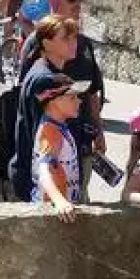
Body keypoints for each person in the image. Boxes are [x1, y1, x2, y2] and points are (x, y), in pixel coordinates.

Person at [11, 7, 105, 201]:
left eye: (74, 37)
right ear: (47, 43)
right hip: (45, 182)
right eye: (66, 38)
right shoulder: (45, 80)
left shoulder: (49, 72)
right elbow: (42, 140)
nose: (73, 43)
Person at [25, 72, 89, 216]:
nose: (79, 101)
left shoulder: (59, 126)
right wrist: (60, 201)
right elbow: (43, 170)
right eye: (72, 97)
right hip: (50, 211)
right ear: (53, 101)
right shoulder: (50, 132)